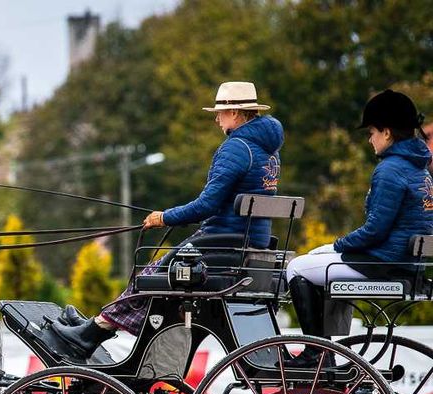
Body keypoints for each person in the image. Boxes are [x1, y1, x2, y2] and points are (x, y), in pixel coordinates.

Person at [54, 81, 285, 356]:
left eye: (219, 113)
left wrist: (165, 217)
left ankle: (95, 330)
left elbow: (207, 204)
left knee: (151, 275)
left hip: (221, 245)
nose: (216, 118)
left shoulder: (236, 147)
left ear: (234, 113)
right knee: (156, 270)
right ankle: (96, 326)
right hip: (252, 246)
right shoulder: (268, 151)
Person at [286, 89, 433, 347]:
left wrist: (336, 245)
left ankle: (317, 351)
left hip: (383, 264)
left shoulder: (389, 170)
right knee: (317, 263)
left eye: (371, 133)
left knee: (297, 267)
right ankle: (327, 348)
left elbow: (375, 230)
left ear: (386, 132)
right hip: (408, 264)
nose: (370, 140)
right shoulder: (421, 171)